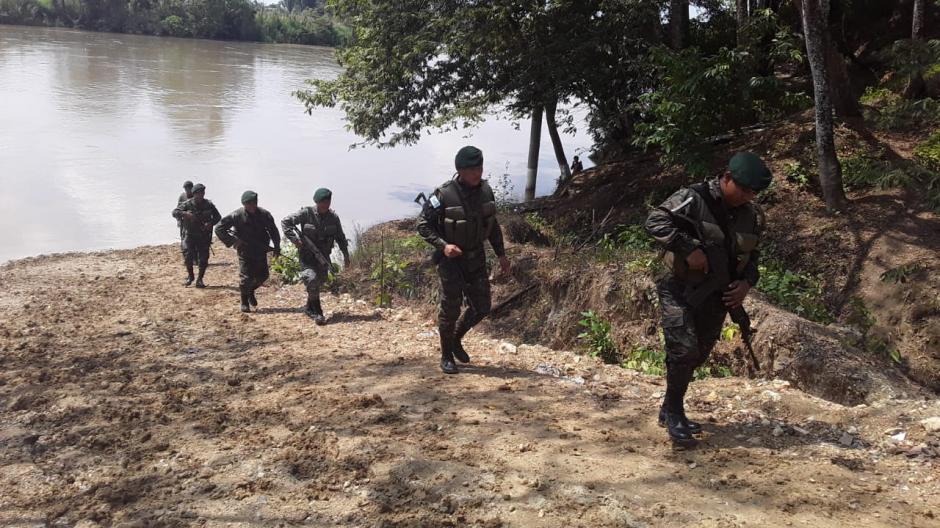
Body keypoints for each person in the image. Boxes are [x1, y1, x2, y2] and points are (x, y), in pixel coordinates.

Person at [645, 152, 772, 441]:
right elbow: (655, 222)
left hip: (717, 293)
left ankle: (669, 406)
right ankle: (675, 413)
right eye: (743, 189)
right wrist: (687, 248)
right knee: (684, 349)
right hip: (678, 286)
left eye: (753, 192)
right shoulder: (694, 198)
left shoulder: (751, 215)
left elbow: (753, 257)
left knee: (698, 354)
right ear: (727, 178)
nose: (747, 196)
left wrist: (746, 284)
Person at [417, 146, 511, 374]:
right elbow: (422, 224)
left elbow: (493, 225)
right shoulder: (442, 194)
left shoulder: (486, 191)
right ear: (460, 170)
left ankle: (456, 338)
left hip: (476, 257)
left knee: (482, 306)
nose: (476, 173)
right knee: (450, 307)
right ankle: (446, 354)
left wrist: (501, 254)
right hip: (451, 260)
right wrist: (443, 245)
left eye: (479, 168)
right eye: (471, 170)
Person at [281, 188, 350, 325]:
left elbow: (340, 238)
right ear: (317, 202)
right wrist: (295, 240)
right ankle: (318, 312)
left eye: (327, 201)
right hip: (307, 256)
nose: (325, 204)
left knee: (319, 282)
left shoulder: (333, 218)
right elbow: (286, 222)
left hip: (323, 257)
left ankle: (308, 307)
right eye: (322, 202)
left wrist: (346, 255)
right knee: (311, 279)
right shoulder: (306, 213)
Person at [215, 191, 281, 313]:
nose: (252, 206)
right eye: (248, 204)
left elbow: (274, 231)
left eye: (254, 203)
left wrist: (277, 246)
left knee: (263, 276)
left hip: (260, 250)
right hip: (245, 250)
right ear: (244, 204)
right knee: (246, 278)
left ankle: (250, 291)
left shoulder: (265, 215)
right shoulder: (236, 215)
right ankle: (244, 301)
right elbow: (219, 228)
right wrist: (233, 241)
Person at [172, 183, 221, 288]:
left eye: (202, 193)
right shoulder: (187, 204)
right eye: (199, 193)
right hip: (189, 235)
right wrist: (186, 214)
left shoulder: (209, 204)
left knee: (203, 259)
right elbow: (174, 212)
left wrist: (210, 223)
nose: (201, 195)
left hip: (203, 236)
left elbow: (218, 217)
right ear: (194, 194)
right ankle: (190, 276)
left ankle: (200, 279)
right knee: (187, 255)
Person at [176, 181, 195, 253]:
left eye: (188, 189)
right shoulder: (182, 196)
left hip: (194, 221)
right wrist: (178, 220)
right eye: (186, 189)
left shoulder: (196, 196)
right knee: (183, 236)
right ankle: (185, 253)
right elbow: (177, 209)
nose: (187, 191)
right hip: (184, 221)